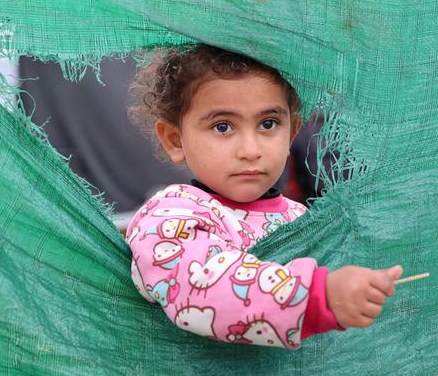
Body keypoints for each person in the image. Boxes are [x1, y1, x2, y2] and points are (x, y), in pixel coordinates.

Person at [126, 44, 402, 349]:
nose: (250, 150)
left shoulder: (301, 221)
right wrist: (318, 297)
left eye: (268, 124)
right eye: (223, 127)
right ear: (175, 140)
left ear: (292, 132)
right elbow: (200, 289)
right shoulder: (170, 217)